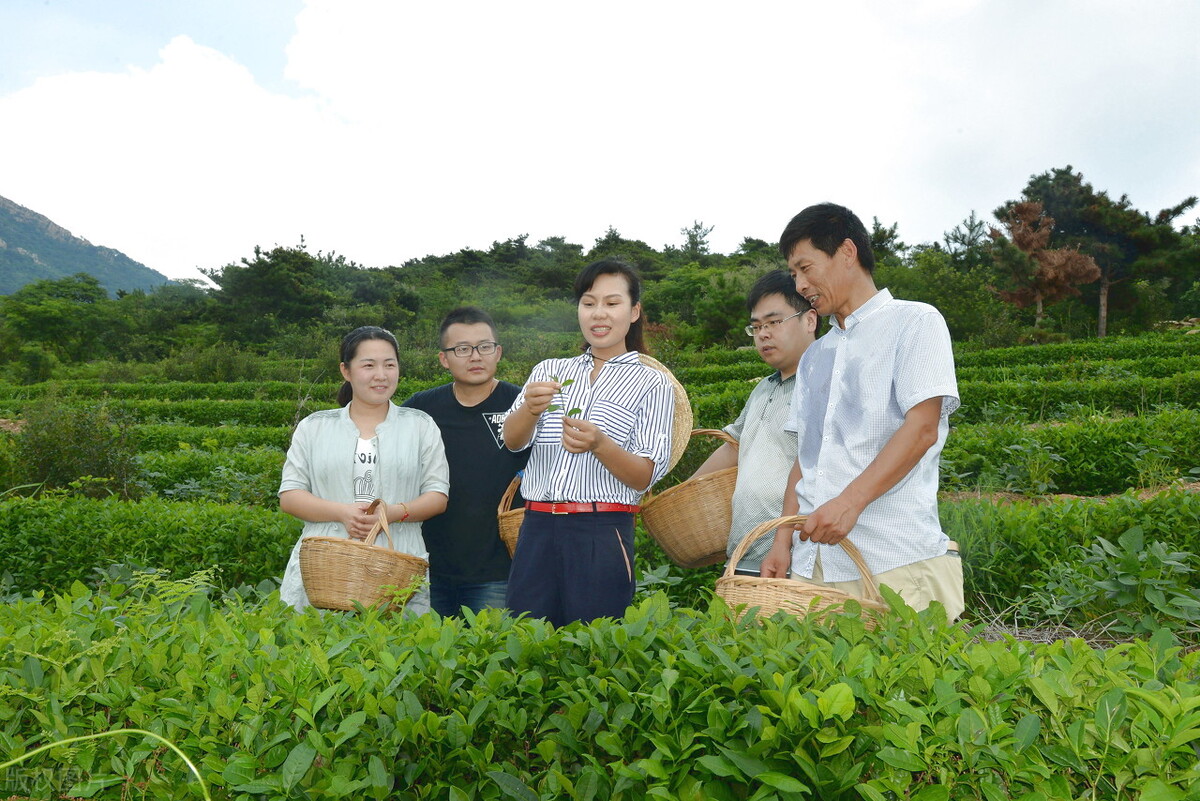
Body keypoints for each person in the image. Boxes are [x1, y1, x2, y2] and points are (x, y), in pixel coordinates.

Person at [760, 203, 964, 620]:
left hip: (894, 557)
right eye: (794, 274)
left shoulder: (915, 322)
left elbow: (922, 429)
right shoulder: (816, 356)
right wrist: (782, 542)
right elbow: (807, 459)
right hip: (812, 564)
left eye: (805, 268)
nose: (800, 284)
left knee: (908, 682)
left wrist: (849, 503)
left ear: (847, 252)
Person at [502, 259, 674, 627]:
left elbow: (643, 475)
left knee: (594, 649)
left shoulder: (652, 382)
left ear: (634, 312)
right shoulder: (550, 370)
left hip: (602, 530)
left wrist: (600, 443)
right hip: (537, 526)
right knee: (527, 638)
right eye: (589, 302)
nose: (599, 313)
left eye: (612, 303)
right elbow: (513, 441)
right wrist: (530, 410)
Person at [278, 326, 449, 614]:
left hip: (398, 560)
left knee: (395, 649)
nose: (380, 375)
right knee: (318, 647)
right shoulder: (315, 427)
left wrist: (391, 513)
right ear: (346, 370)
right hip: (325, 562)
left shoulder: (420, 426)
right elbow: (290, 495)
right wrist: (342, 513)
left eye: (389, 364)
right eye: (368, 365)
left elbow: (437, 495)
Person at [402, 307, 530, 616]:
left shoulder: (523, 404)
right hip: (428, 570)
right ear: (444, 359)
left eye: (484, 347)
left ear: (497, 352)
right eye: (463, 349)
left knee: (488, 658)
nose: (475, 356)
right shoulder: (421, 408)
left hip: (499, 571)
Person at [689, 270, 817, 575]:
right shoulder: (763, 388)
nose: (763, 334)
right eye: (756, 326)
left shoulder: (819, 385)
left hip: (791, 555)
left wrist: (783, 543)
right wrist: (687, 491)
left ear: (809, 320)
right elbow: (734, 445)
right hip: (743, 550)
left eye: (774, 322)